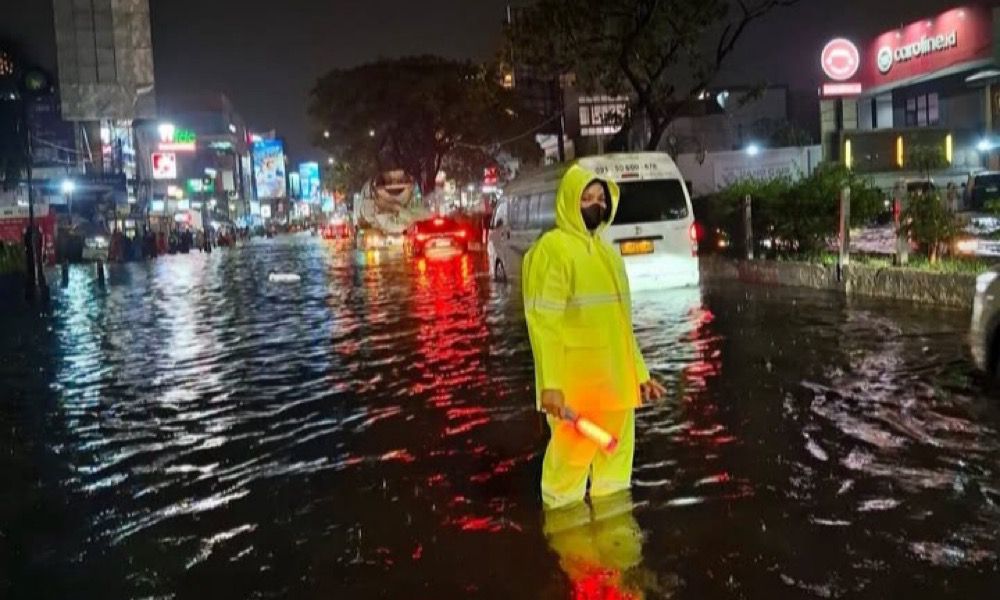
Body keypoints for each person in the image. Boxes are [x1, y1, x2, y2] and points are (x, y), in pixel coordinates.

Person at [523, 164, 666, 509]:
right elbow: (544, 323)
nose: (596, 205)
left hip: (618, 391)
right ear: (570, 201)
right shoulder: (553, 250)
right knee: (565, 485)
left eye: (601, 198)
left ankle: (616, 539)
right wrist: (550, 384)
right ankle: (569, 540)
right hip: (577, 394)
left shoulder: (607, 254)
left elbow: (620, 325)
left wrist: (641, 375)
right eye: (587, 197)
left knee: (615, 482)